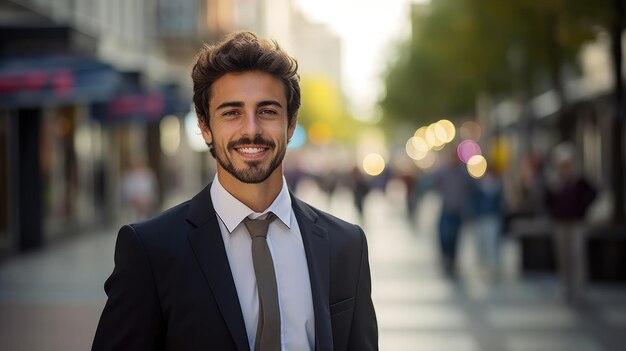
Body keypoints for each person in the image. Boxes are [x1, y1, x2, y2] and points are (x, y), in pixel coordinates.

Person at [92, 31, 378, 351]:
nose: (251, 129)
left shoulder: (346, 245)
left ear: (291, 122)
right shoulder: (151, 250)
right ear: (205, 126)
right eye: (232, 112)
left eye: (268, 111)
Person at [545, 142, 597, 303]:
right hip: (560, 223)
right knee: (563, 256)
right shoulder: (555, 181)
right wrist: (554, 212)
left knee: (577, 254)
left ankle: (579, 286)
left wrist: (583, 209)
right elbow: (546, 200)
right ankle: (565, 285)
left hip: (576, 223)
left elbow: (593, 193)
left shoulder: (579, 180)